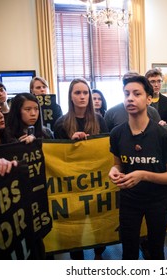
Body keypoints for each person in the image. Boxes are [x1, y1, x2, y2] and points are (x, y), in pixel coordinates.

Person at [108, 75, 167, 260]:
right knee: (128, 251)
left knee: (156, 251)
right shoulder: (117, 134)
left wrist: (143, 175)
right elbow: (118, 164)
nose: (130, 98)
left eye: (136, 93)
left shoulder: (163, 135)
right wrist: (114, 171)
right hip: (129, 200)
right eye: (126, 94)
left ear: (149, 99)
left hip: (158, 201)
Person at [53, 78, 108, 259]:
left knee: (98, 221)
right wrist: (71, 144)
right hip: (73, 183)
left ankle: (99, 254)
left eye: (85, 93)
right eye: (77, 93)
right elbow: (58, 158)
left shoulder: (100, 119)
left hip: (96, 180)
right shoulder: (61, 123)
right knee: (75, 226)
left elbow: (106, 149)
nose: (82, 96)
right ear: (70, 96)